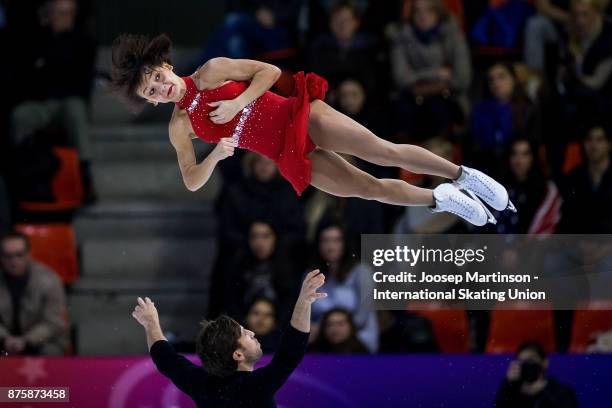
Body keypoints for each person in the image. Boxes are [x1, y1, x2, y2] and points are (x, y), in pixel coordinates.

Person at [111, 33, 516, 227]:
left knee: (382, 151)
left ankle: (465, 176)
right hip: (284, 152)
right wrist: (215, 154)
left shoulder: (211, 71)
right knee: (368, 188)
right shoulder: (180, 127)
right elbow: (192, 181)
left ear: (165, 65)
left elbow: (269, 72)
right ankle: (442, 199)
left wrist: (237, 102)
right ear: (152, 100)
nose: (159, 86)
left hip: (300, 117)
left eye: (156, 77)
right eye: (151, 90)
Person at [131, 269, 326, 408]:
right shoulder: (254, 387)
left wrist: (151, 324)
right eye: (244, 333)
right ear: (238, 354)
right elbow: (290, 353)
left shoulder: (202, 385)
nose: (251, 333)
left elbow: (166, 359)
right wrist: (304, 301)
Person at [390, 0, 471, 141]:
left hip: (449, 98)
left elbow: (462, 79)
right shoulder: (403, 37)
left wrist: (420, 84)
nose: (423, 15)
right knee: (400, 111)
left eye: (429, 10)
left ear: (438, 12)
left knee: (439, 108)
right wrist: (437, 74)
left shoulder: (454, 35)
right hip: (412, 100)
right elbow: (401, 79)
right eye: (417, 11)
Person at [309, 223, 379, 352]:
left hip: (358, 339)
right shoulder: (311, 274)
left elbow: (363, 315)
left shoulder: (361, 272)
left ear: (345, 244)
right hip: (321, 341)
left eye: (336, 240)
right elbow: (305, 314)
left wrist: (335, 330)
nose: (330, 246)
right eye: (325, 240)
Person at [0, 231, 67, 356]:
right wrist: (4, 339)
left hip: (40, 341)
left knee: (51, 352)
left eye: (19, 255)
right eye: (7, 256)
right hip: (3, 342)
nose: (13, 261)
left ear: (29, 254)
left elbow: (53, 322)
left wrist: (26, 340)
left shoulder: (50, 280)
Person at [559, 124, 612, 232]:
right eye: (589, 139)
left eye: (599, 140)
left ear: (609, 144)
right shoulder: (573, 177)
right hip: (581, 243)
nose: (593, 145)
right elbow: (569, 217)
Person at [494, 341, 578, 408]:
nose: (526, 365)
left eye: (530, 360)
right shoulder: (512, 394)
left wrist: (542, 389)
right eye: (521, 361)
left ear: (545, 362)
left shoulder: (562, 392)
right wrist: (508, 385)